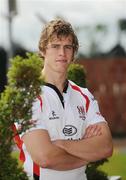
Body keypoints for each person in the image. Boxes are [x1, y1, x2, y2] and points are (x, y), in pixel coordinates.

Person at [16, 19, 113, 180]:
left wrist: (60, 144)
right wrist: (87, 153)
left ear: (74, 53)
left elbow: (106, 147)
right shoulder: (26, 96)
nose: (62, 53)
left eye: (68, 47)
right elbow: (45, 157)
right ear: (42, 50)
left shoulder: (84, 95)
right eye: (55, 46)